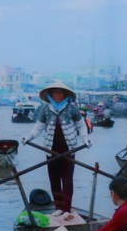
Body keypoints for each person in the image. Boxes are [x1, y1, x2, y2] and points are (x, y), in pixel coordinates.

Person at [22, 81, 92, 216]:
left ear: (65, 94)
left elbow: (81, 126)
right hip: (50, 149)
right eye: (55, 93)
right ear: (51, 94)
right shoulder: (46, 108)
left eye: (61, 93)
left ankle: (66, 209)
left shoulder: (72, 108)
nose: (58, 95)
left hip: (68, 149)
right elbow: (39, 127)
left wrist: (86, 138)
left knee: (67, 179)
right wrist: (28, 137)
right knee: (54, 179)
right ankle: (58, 207)